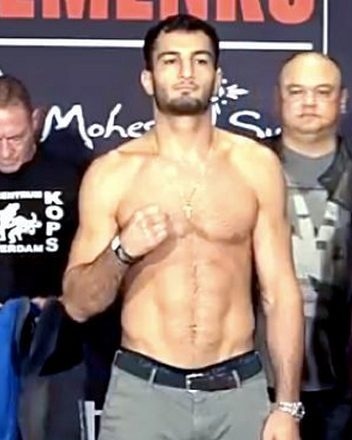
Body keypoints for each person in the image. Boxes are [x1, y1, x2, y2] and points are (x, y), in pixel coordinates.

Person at [60, 14, 304, 440]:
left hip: (238, 391)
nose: (187, 72)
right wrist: (122, 250)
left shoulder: (256, 166)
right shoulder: (112, 174)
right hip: (144, 394)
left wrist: (287, 406)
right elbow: (78, 304)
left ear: (218, 77)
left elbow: (280, 292)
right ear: (148, 79)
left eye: (200, 60)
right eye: (171, 61)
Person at [257, 51, 352, 439]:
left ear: (342, 99)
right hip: (255, 376)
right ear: (278, 98)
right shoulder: (247, 167)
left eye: (322, 91)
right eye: (296, 91)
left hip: (345, 380)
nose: (309, 102)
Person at [0, 74, 86, 440]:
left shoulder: (72, 176)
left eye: (15, 138)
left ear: (35, 121)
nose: (5, 151)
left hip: (55, 354)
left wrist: (58, 304)